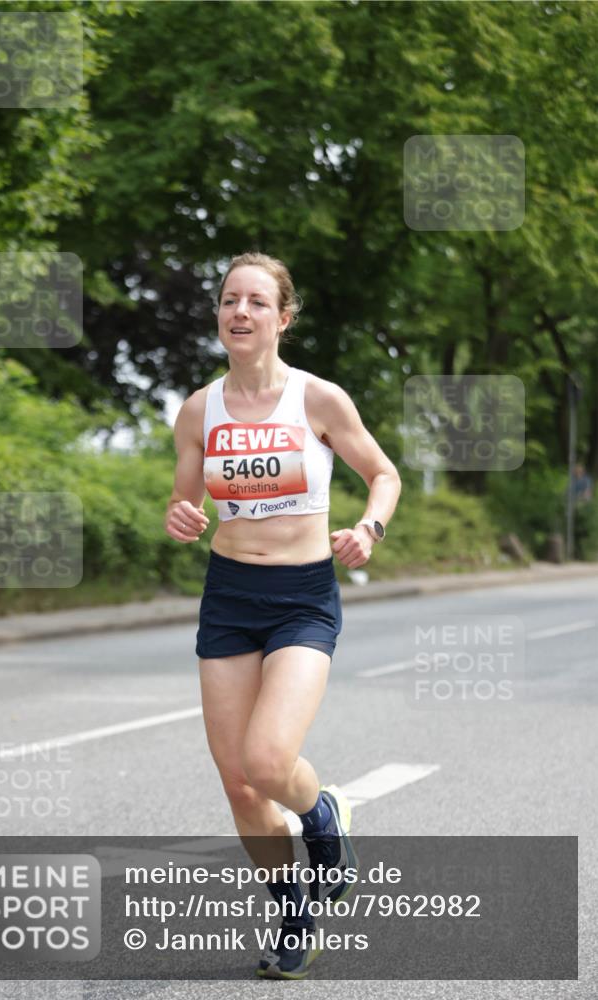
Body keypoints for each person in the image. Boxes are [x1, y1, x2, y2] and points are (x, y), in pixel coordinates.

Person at [165, 251, 402, 979]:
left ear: (282, 317)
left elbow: (383, 474)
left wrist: (369, 529)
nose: (239, 312)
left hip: (302, 596)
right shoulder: (199, 409)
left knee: (267, 761)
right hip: (229, 596)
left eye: (257, 302)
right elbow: (184, 500)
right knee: (239, 784)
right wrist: (180, 515)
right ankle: (294, 911)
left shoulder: (318, 399)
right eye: (229, 300)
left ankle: (321, 814)